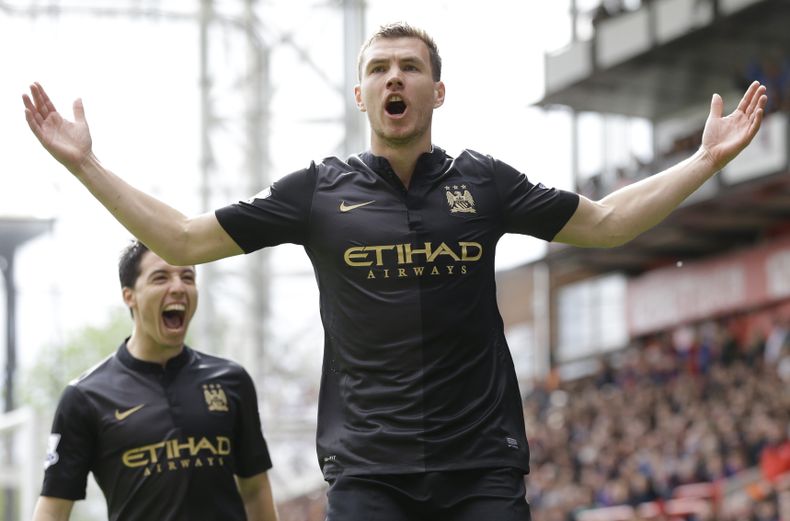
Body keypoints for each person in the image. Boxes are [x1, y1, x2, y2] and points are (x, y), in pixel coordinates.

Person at [23, 22, 767, 521]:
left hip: (482, 468)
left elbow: (605, 223)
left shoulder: (484, 182)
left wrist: (704, 160)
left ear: (436, 92)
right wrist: (87, 164)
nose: (393, 78)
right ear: (361, 96)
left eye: (410, 67)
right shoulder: (317, 192)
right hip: (369, 473)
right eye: (378, 69)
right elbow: (183, 237)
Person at [31, 241, 278, 521]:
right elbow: (52, 510)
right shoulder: (85, 396)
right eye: (161, 278)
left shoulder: (231, 380)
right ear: (129, 296)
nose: (178, 287)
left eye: (188, 277)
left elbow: (255, 490)